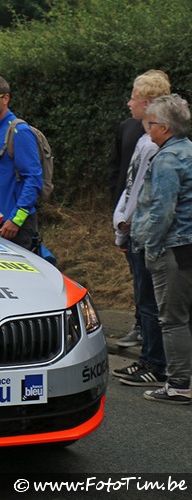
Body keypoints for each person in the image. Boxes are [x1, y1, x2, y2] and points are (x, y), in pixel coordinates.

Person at [131, 94, 192, 405]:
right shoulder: (188, 150)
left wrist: (151, 249)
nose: (148, 129)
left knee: (172, 319)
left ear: (165, 127)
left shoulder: (167, 160)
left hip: (172, 248)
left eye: (151, 124)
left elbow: (162, 211)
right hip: (187, 245)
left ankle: (179, 384)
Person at [111, 72, 169, 385]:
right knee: (145, 298)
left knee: (148, 300)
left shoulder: (151, 146)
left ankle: (154, 363)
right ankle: (149, 359)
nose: (128, 103)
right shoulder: (145, 139)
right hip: (136, 228)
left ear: (146, 103)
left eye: (133, 97)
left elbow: (137, 192)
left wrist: (123, 226)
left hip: (140, 230)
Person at [0, 75, 41, 249]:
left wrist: (16, 220)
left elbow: (34, 179)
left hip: (15, 227)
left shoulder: (19, 131)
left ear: (6, 98)